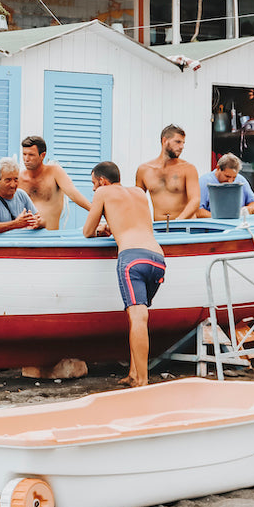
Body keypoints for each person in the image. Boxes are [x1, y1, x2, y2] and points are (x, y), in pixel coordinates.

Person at [83, 161, 166, 388]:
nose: (93, 190)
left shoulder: (103, 192)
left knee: (138, 318)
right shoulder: (140, 193)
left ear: (102, 181)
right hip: (157, 259)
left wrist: (101, 229)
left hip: (132, 260)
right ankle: (132, 373)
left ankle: (142, 381)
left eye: (93, 184)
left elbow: (87, 232)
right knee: (139, 318)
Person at [20, 135, 92, 231]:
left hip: (50, 237)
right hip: (23, 237)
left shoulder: (55, 172)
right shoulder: (19, 178)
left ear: (42, 155)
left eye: (31, 155)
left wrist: (96, 212)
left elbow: (74, 194)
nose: (26, 159)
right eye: (24, 154)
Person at [135, 123, 200, 222]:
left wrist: (178, 221)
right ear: (164, 141)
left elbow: (195, 200)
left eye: (183, 143)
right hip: (159, 227)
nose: (182, 146)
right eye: (178, 142)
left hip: (184, 226)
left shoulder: (188, 169)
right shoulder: (144, 170)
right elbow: (137, 201)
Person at [0, 158, 45, 233]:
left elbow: (42, 220)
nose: (13, 185)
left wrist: (38, 223)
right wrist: (15, 224)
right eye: (8, 180)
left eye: (16, 179)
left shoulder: (21, 195)